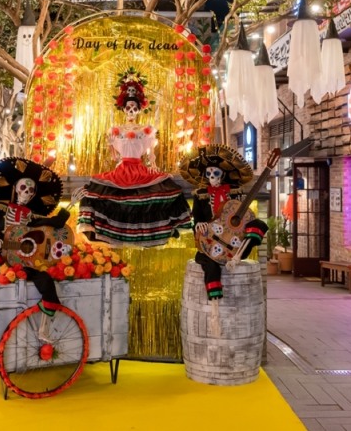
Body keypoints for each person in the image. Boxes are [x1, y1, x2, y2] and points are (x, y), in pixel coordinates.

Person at [0, 156, 76, 394]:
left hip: (22, 262)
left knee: (46, 282)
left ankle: (43, 328)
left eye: (31, 191)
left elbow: (54, 222)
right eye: (24, 188)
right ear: (15, 188)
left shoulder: (31, 215)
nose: (27, 193)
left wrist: (72, 204)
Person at [77, 67, 192, 246]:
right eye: (128, 107)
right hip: (122, 169)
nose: (131, 111)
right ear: (123, 109)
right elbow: (115, 157)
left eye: (134, 108)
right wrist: (111, 145)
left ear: (139, 110)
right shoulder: (116, 130)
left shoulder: (145, 130)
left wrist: (154, 166)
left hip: (139, 168)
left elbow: (151, 154)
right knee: (100, 192)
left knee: (164, 191)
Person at [179, 145, 268, 336]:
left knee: (259, 224)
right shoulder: (201, 195)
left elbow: (242, 215)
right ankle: (214, 306)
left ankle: (240, 253)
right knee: (210, 265)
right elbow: (197, 218)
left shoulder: (234, 193)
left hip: (232, 238)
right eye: (209, 173)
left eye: (216, 172)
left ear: (223, 174)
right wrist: (199, 225)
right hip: (211, 240)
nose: (212, 176)